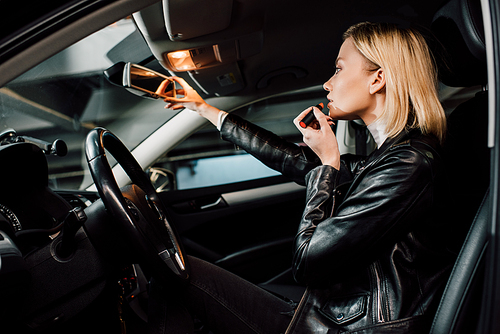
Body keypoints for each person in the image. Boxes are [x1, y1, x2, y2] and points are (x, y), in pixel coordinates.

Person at [154, 22, 454, 333]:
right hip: (340, 312)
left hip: (354, 328)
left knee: (175, 275)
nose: (327, 83)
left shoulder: (408, 163)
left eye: (338, 69)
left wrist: (328, 162)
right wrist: (203, 109)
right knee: (179, 272)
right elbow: (295, 161)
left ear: (378, 79)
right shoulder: (392, 156)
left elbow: (308, 262)